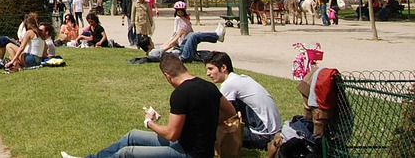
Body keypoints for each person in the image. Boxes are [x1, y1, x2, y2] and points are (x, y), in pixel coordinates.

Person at [61, 54, 234, 158]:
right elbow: (230, 112)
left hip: (188, 153)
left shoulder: (180, 94)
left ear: (167, 76)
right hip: (193, 146)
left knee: (126, 153)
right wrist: (204, 122)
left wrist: (149, 123)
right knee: (131, 136)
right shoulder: (209, 86)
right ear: (184, 67)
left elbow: (171, 134)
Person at [204, 52, 281, 149]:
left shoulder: (228, 84)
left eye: (211, 69)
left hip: (261, 137)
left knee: (210, 127)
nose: (207, 73)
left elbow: (223, 114)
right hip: (274, 131)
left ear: (223, 68)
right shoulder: (242, 78)